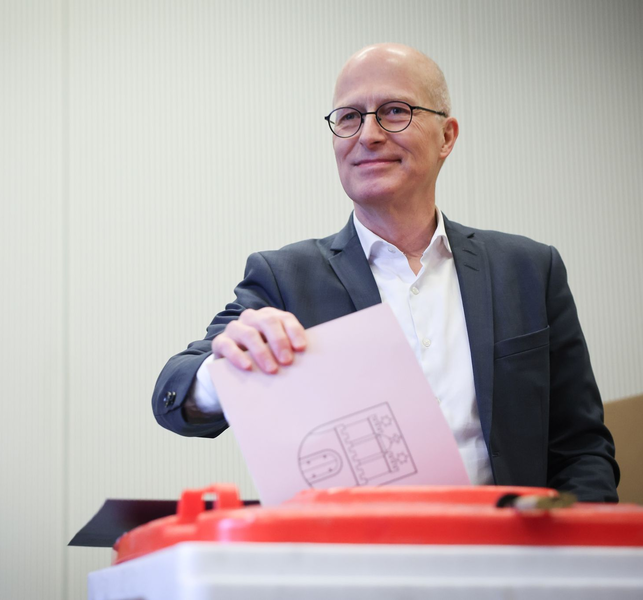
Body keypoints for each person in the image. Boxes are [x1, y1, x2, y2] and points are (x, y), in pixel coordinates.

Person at [152, 43, 619, 502]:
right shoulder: (285, 278)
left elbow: (581, 450)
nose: (368, 135)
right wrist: (223, 371)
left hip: (509, 547)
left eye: (395, 111)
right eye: (349, 117)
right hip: (355, 549)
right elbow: (173, 392)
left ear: (447, 136)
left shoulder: (529, 271)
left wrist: (579, 543)